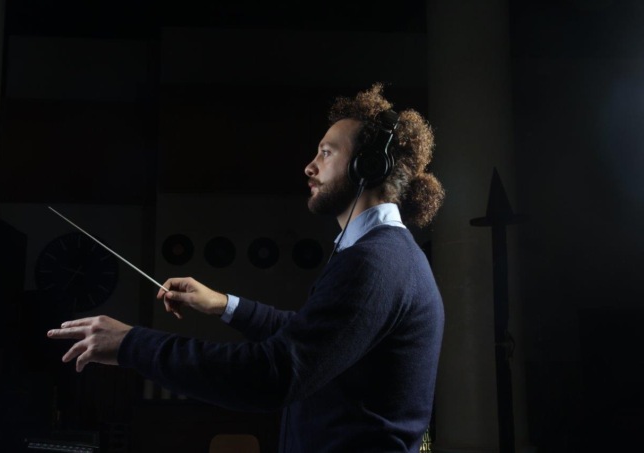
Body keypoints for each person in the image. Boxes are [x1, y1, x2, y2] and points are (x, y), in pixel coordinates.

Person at [48, 83, 445, 452]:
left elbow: (275, 372)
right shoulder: (383, 256)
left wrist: (131, 345)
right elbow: (307, 337)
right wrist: (223, 304)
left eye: (326, 152)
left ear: (369, 166)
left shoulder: (375, 263)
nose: (310, 167)